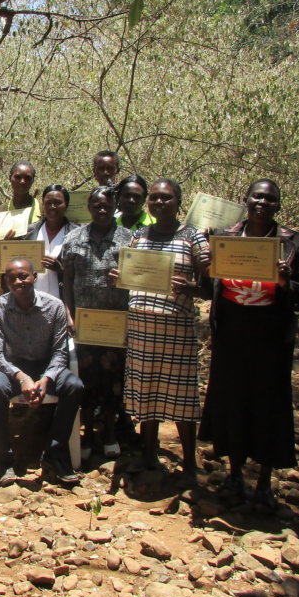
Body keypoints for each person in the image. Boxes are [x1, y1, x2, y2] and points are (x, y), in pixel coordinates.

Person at [198, 180, 299, 509]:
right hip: (231, 334)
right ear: (245, 200)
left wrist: (283, 281)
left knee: (269, 406)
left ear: (278, 205)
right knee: (232, 401)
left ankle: (264, 480)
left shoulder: (294, 242)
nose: (262, 203)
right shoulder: (225, 237)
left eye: (270, 199)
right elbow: (209, 288)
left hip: (271, 339)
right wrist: (206, 267)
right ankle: (235, 472)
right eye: (257, 197)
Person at [109, 178, 209, 483]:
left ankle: (189, 464)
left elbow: (210, 286)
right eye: (154, 198)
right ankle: (149, 453)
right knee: (146, 391)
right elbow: (129, 272)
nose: (159, 203)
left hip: (176, 328)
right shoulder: (139, 236)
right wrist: (119, 278)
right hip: (141, 328)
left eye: (166, 198)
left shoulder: (193, 237)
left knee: (182, 395)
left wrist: (192, 289)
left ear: (179, 201)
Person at [0, 258, 83, 486]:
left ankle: (55, 455)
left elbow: (60, 352)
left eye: (23, 276)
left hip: (46, 365)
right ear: (6, 282)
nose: (19, 282)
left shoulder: (55, 306)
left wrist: (46, 379)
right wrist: (23, 378)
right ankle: (3, 459)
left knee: (74, 387)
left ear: (35, 277)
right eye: (12, 278)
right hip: (13, 368)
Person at [61, 186, 134, 458]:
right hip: (85, 325)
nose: (101, 209)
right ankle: (88, 432)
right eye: (96, 204)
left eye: (106, 204)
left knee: (115, 381)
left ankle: (110, 432)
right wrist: (68, 313)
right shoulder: (74, 238)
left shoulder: (130, 239)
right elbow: (66, 280)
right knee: (87, 381)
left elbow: (139, 279)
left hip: (118, 326)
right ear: (89, 207)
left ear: (115, 205)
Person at [19, 184, 77, 299]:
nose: (52, 207)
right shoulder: (28, 232)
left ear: (66, 205)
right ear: (43, 205)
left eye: (58, 203)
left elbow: (85, 272)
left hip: (63, 301)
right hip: (32, 301)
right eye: (48, 203)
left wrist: (61, 270)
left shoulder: (76, 234)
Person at [0, 161, 41, 235]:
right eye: (18, 177)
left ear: (32, 181)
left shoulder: (44, 211)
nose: (22, 182)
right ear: (10, 178)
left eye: (27, 178)